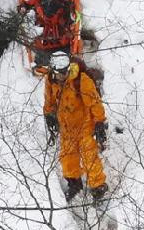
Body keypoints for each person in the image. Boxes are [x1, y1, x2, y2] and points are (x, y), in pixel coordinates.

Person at [43, 51, 109, 202]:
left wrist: (99, 122)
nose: (63, 75)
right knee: (67, 157)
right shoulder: (50, 80)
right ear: (53, 71)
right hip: (66, 126)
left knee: (89, 157)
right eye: (59, 73)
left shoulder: (81, 80)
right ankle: (74, 183)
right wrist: (49, 116)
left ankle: (98, 187)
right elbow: (49, 100)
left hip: (84, 124)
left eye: (65, 71)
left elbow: (94, 102)